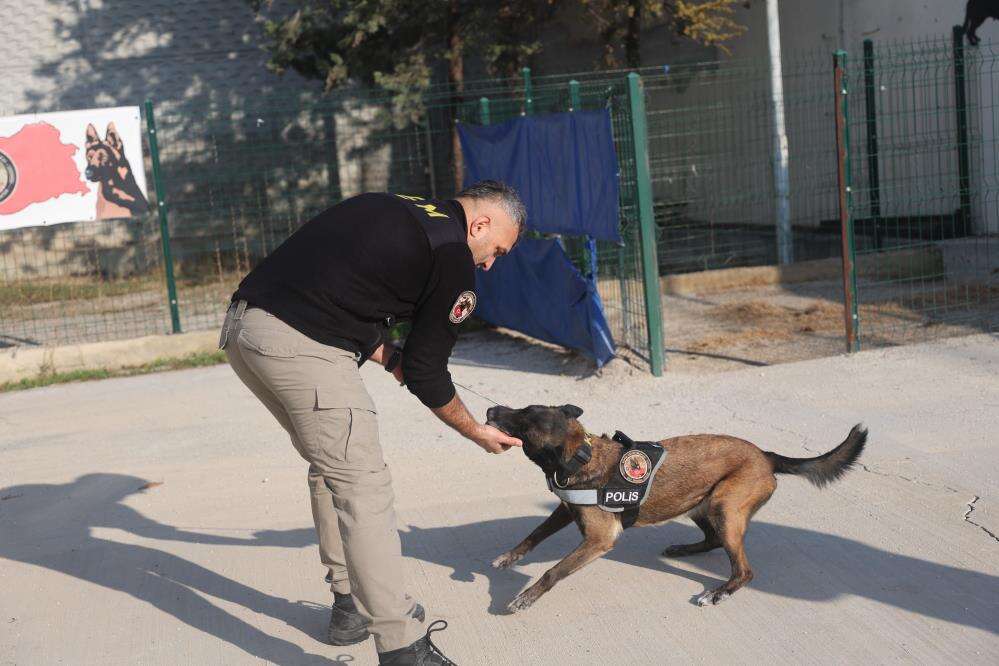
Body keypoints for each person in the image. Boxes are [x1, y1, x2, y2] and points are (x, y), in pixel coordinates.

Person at [219, 180, 525, 665]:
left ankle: (351, 607)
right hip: (300, 347)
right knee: (363, 487)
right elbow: (428, 372)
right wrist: (476, 431)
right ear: (481, 223)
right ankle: (402, 644)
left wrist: (389, 357)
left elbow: (334, 293)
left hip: (244, 330)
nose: (489, 263)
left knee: (331, 468)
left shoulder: (396, 205)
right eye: (497, 250)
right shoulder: (452, 256)